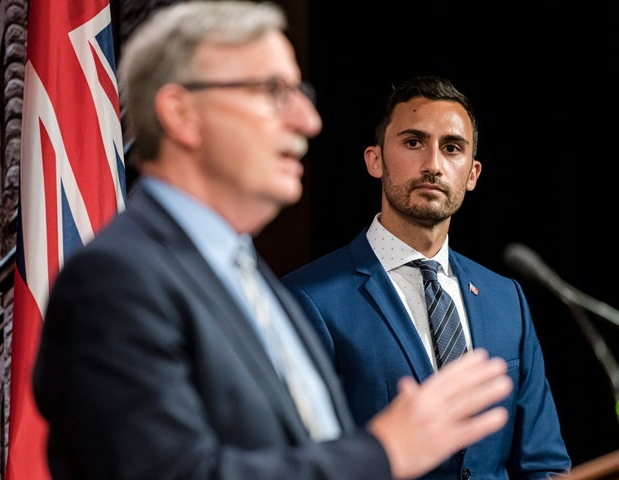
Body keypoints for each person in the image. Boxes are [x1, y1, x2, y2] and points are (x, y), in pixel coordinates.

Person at [31, 4, 513, 479]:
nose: (308, 120)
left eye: (299, 92)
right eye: (273, 91)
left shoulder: (247, 276)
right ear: (182, 114)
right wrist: (382, 452)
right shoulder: (116, 281)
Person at [282, 74, 572, 479]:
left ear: (472, 174)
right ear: (375, 159)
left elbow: (543, 463)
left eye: (452, 148)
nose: (433, 164)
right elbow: (302, 461)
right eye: (413, 142)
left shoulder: (508, 299)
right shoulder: (306, 298)